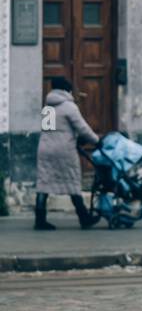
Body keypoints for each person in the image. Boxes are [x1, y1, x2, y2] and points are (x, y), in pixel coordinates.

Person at [34, 76, 101, 231]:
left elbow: (48, 129)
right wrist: (96, 140)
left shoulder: (48, 107)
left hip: (45, 148)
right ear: (66, 90)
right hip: (64, 150)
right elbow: (83, 128)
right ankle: (84, 218)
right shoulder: (69, 107)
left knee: (43, 183)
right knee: (72, 182)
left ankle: (40, 220)